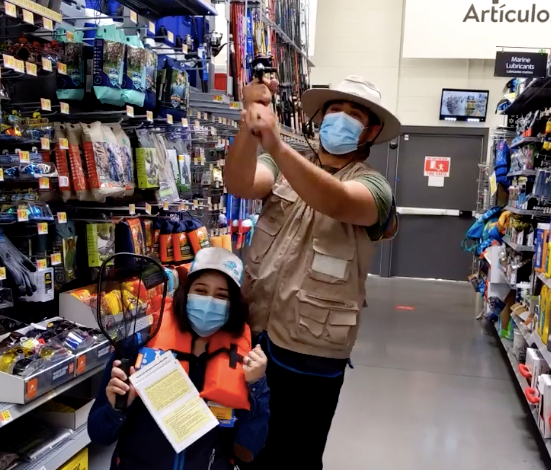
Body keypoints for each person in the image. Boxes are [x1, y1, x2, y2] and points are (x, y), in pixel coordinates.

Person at [225, 75, 401, 470]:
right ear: (319, 117)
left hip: (312, 352)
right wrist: (250, 124)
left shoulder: (375, 188)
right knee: (243, 446)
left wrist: (276, 143)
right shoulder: (280, 165)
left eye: (355, 114)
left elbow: (336, 201)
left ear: (371, 132)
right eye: (335, 109)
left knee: (295, 457)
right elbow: (240, 183)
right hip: (253, 333)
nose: (341, 118)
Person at [88, 248, 270, 470]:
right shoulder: (142, 342)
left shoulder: (246, 360)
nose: (209, 302)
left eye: (222, 295)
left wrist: (257, 387)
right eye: (201, 290)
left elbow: (249, 449)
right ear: (185, 291)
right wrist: (116, 409)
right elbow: (99, 434)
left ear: (234, 304)